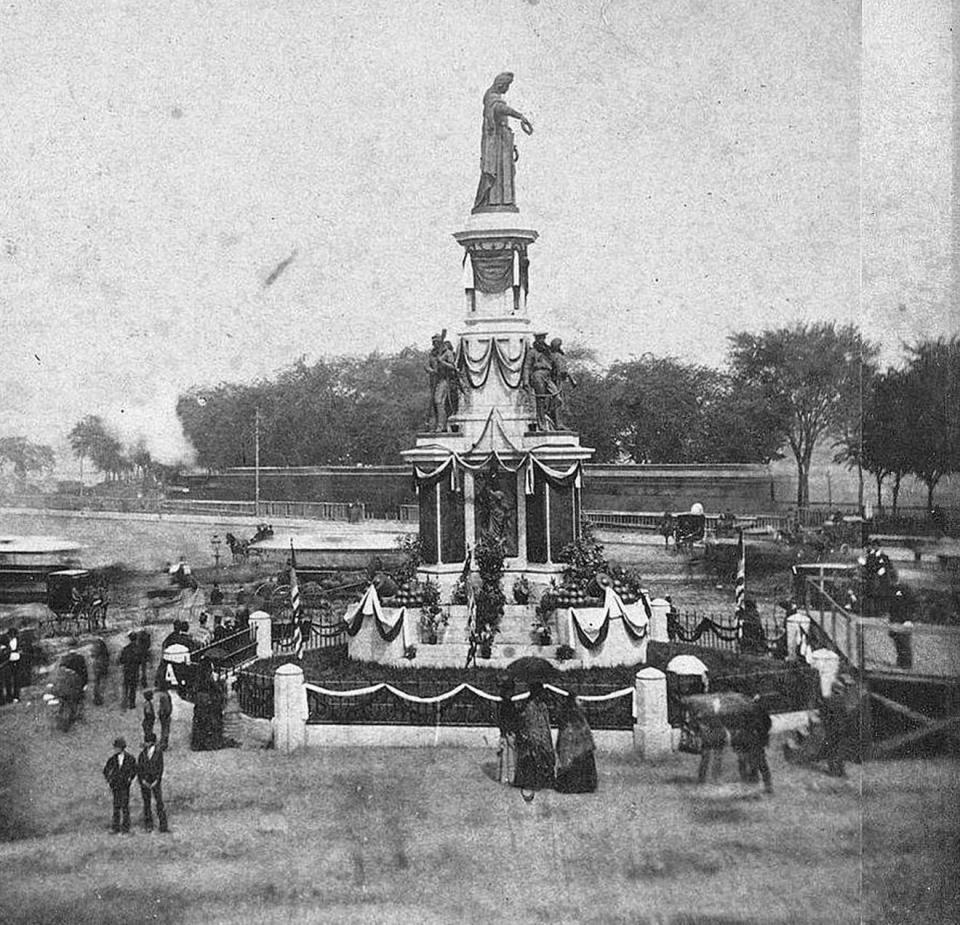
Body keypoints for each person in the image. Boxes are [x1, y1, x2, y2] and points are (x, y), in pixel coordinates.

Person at [473, 72, 533, 212]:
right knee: (495, 171)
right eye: (507, 85)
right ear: (501, 85)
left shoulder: (495, 97)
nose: (507, 89)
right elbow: (500, 109)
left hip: (502, 142)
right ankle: (492, 201)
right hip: (495, 143)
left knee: (505, 171)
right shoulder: (492, 98)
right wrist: (520, 116)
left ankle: (503, 201)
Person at [514, 682, 556, 791]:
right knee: (532, 758)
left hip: (543, 736)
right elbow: (528, 724)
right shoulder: (528, 706)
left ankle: (544, 781)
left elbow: (545, 722)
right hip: (533, 738)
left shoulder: (542, 705)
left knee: (545, 757)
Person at [554, 692, 598, 793]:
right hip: (572, 743)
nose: (581, 703)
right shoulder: (570, 713)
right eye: (579, 700)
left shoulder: (578, 713)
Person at [734, 696, 773, 794]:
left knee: (750, 763)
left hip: (749, 739)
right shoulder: (759, 710)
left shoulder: (743, 711)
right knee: (759, 762)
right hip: (755, 739)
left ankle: (752, 786)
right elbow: (768, 724)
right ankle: (766, 785)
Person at [103, 736, 137, 834]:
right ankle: (115, 827)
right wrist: (110, 780)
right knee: (116, 806)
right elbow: (105, 770)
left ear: (122, 748)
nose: (115, 749)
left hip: (125, 785)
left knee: (125, 807)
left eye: (117, 747)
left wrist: (130, 778)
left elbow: (134, 769)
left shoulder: (130, 758)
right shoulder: (112, 759)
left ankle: (126, 828)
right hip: (116, 785)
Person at [136, 732, 169, 833]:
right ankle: (148, 824)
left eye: (147, 742)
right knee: (147, 803)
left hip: (155, 782)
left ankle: (163, 825)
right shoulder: (142, 755)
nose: (145, 744)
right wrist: (143, 781)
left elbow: (160, 769)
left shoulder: (158, 754)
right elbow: (139, 769)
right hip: (145, 782)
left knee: (159, 803)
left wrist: (156, 781)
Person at [497, 679, 519, 785]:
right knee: (510, 756)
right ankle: (510, 778)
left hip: (504, 732)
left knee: (504, 756)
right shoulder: (509, 704)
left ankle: (503, 777)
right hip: (509, 732)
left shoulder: (502, 704)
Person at [119, 633, 140, 710]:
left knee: (126, 687)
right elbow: (140, 660)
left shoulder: (125, 649)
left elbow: (121, 660)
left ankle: (124, 703)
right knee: (133, 688)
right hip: (134, 671)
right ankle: (132, 703)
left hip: (127, 670)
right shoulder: (138, 649)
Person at [91, 636, 110, 706]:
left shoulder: (94, 647)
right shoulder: (104, 648)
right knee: (102, 683)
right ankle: (100, 698)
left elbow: (92, 655)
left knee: (96, 682)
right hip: (103, 665)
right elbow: (107, 656)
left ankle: (96, 698)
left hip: (96, 666)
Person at [155, 681, 173, 751]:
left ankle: (163, 743)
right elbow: (167, 707)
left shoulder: (163, 695)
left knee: (164, 729)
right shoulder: (165, 696)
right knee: (165, 730)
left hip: (164, 715)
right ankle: (164, 744)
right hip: (165, 715)